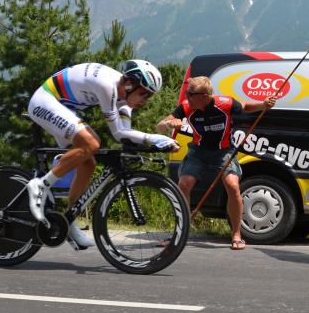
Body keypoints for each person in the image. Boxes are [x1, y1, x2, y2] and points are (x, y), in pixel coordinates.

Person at [26, 60, 179, 249]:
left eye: (150, 96)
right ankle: (41, 185)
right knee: (92, 143)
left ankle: (70, 220)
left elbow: (125, 134)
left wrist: (154, 142)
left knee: (88, 164)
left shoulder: (125, 99)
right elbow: (118, 133)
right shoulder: (108, 86)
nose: (145, 100)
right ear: (129, 84)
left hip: (63, 107)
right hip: (45, 101)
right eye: (144, 94)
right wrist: (153, 138)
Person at [155, 76, 276, 250]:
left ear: (204, 96)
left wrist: (263, 105)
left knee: (233, 185)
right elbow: (159, 126)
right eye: (187, 93)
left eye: (191, 94)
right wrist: (168, 124)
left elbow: (245, 106)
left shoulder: (225, 104)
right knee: (184, 184)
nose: (187, 96)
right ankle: (180, 233)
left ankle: (236, 235)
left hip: (223, 151)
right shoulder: (186, 107)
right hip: (198, 151)